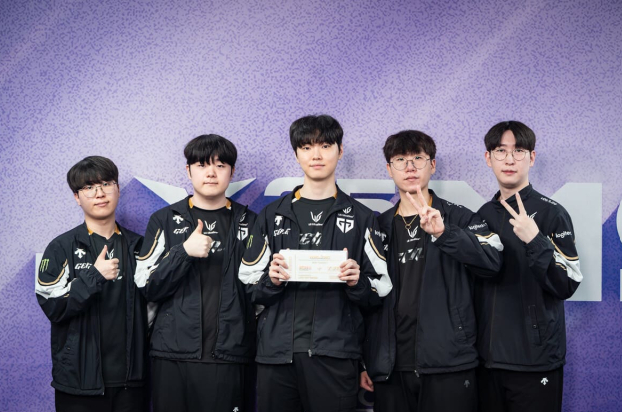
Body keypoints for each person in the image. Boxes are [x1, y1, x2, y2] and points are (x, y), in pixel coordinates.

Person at [238, 114, 392, 412]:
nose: (316, 155)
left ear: (340, 151)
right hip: (277, 354)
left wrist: (357, 282)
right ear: (296, 154)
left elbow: (381, 290)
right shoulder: (271, 215)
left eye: (325, 145)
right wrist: (271, 280)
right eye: (307, 147)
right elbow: (247, 283)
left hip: (335, 353)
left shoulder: (362, 217)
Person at [360, 130, 504, 412]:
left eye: (418, 158)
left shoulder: (459, 217)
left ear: (433, 165)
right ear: (389, 169)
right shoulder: (378, 226)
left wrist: (444, 233)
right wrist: (365, 360)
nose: (410, 167)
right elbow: (366, 296)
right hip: (390, 366)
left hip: (447, 362)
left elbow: (493, 261)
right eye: (400, 160)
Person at [134, 134, 257, 412]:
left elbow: (260, 293)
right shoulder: (164, 220)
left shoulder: (250, 222)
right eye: (202, 165)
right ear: (188, 171)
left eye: (220, 165)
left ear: (232, 172)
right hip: (172, 354)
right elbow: (148, 287)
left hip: (230, 354)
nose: (211, 173)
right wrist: (183, 252)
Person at [476, 120, 583, 412]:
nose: (509, 159)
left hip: (536, 361)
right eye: (501, 151)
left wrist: (535, 239)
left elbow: (567, 283)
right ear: (488, 158)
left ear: (532, 157)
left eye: (519, 151)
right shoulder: (481, 216)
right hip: (487, 361)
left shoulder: (552, 213)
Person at [36, 156, 148, 412]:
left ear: (117, 189)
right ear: (77, 197)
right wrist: (94, 276)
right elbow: (53, 307)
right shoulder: (60, 247)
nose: (99, 193)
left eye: (106, 184)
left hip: (131, 382)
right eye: (89, 187)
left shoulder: (138, 246)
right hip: (78, 383)